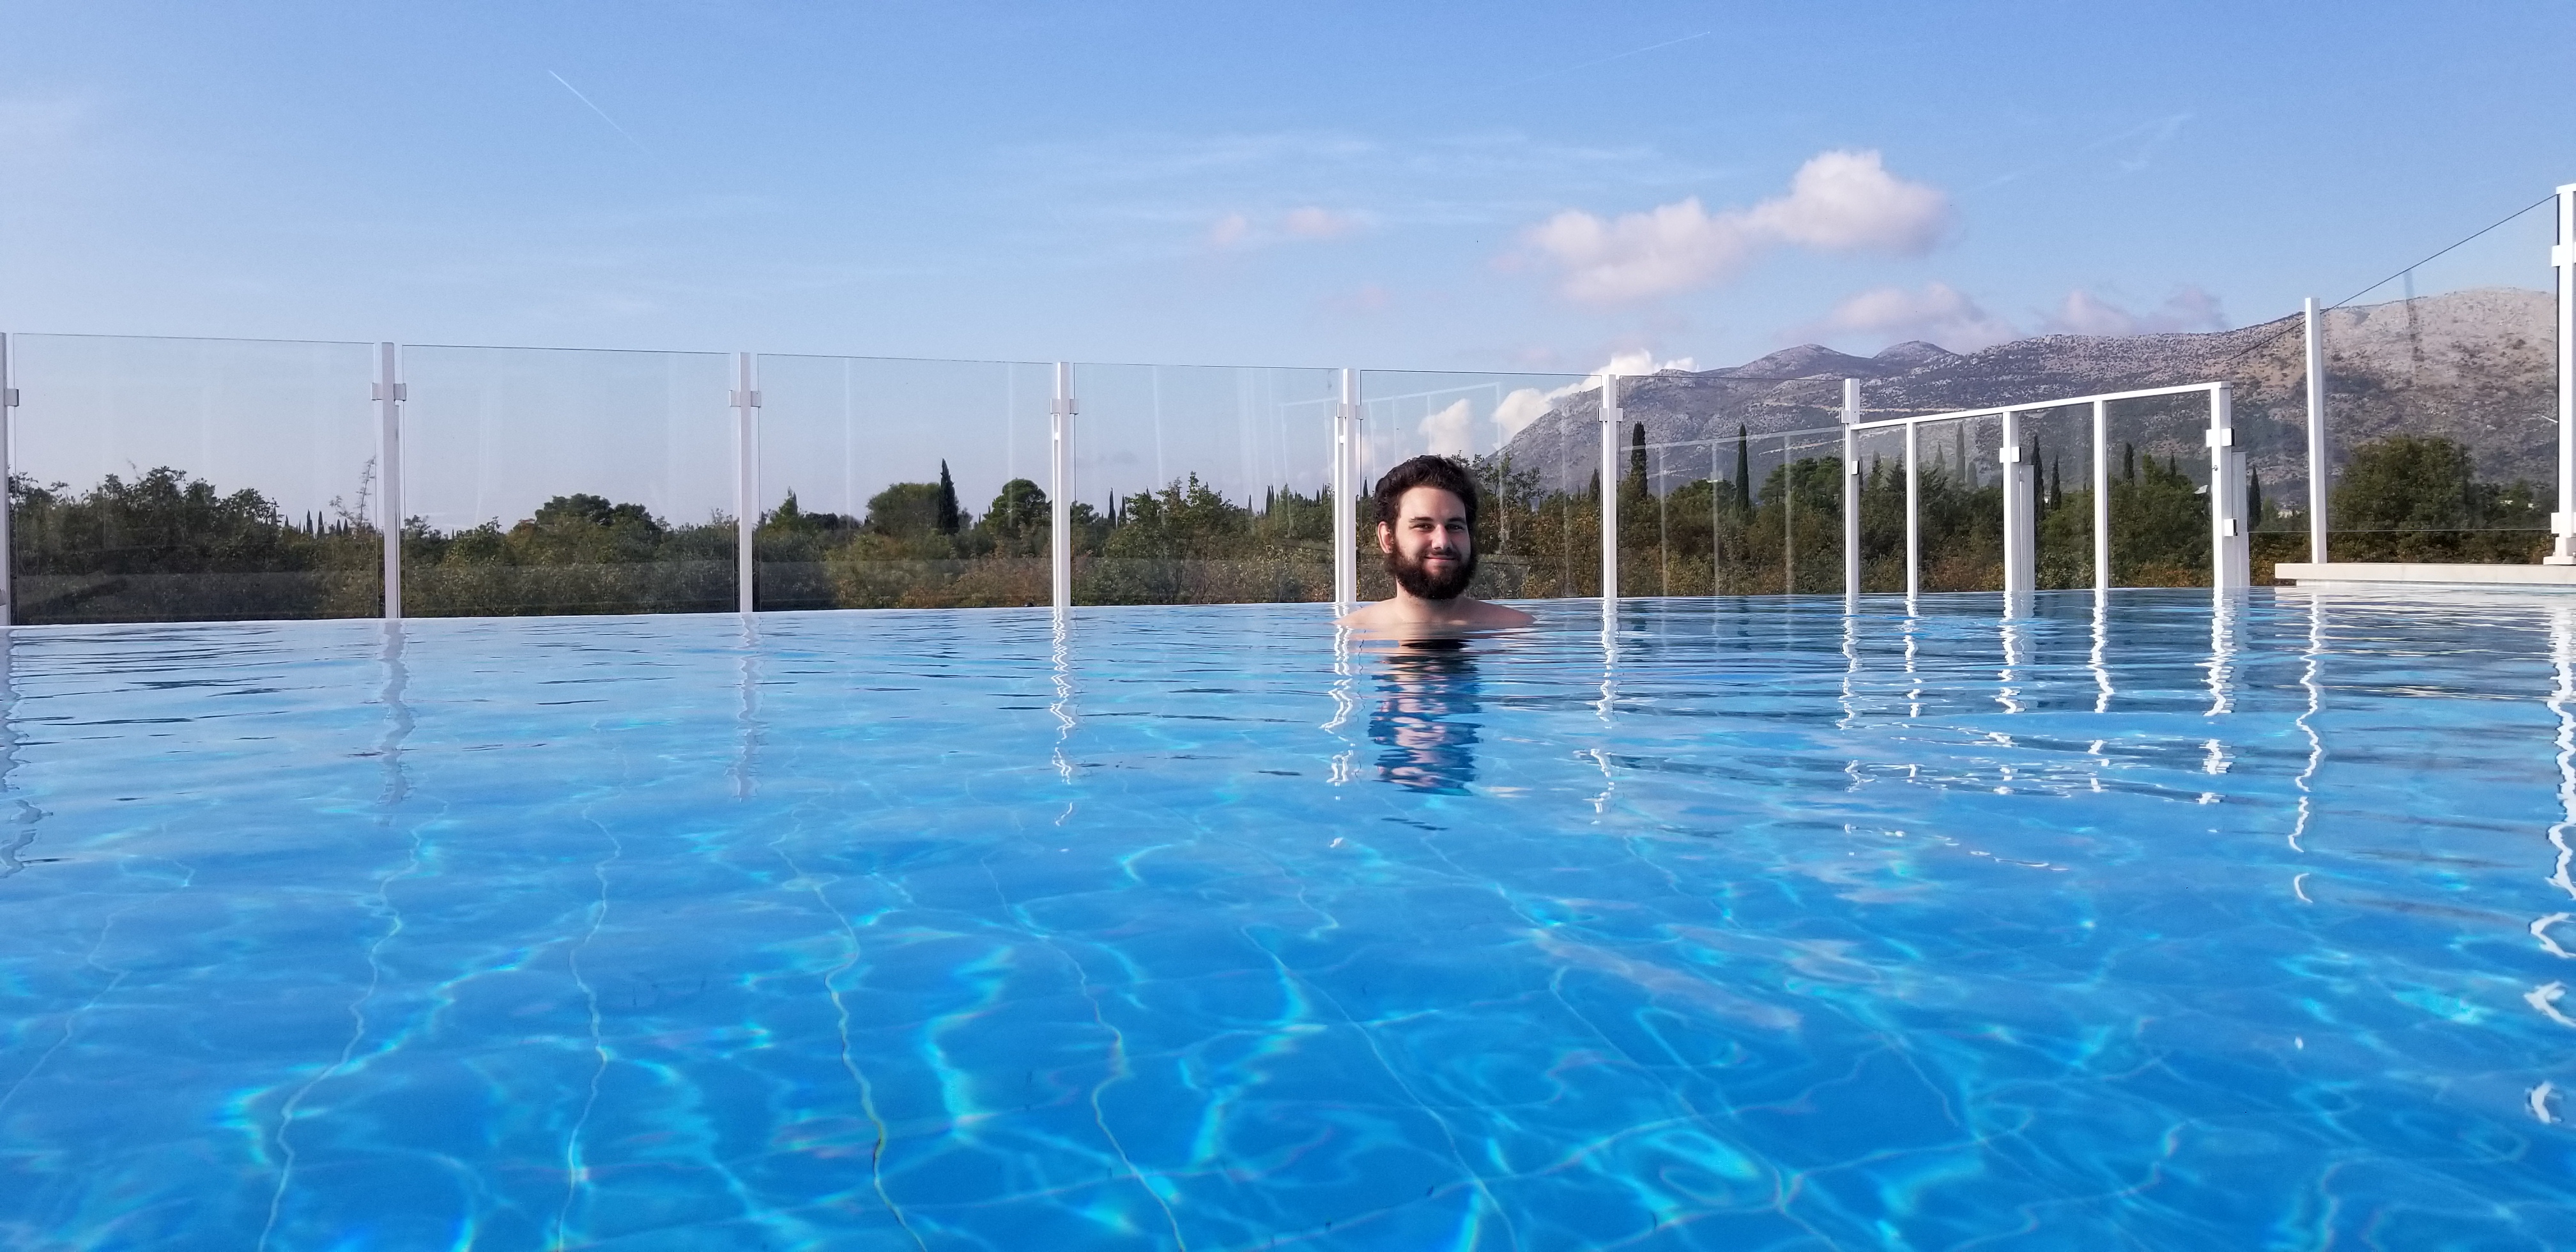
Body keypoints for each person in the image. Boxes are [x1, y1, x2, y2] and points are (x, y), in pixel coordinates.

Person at [1335, 455, 1535, 634]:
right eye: (1423, 526)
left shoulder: (1518, 635)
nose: (1443, 542)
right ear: (1388, 539)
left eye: (1455, 527)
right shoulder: (1350, 640)